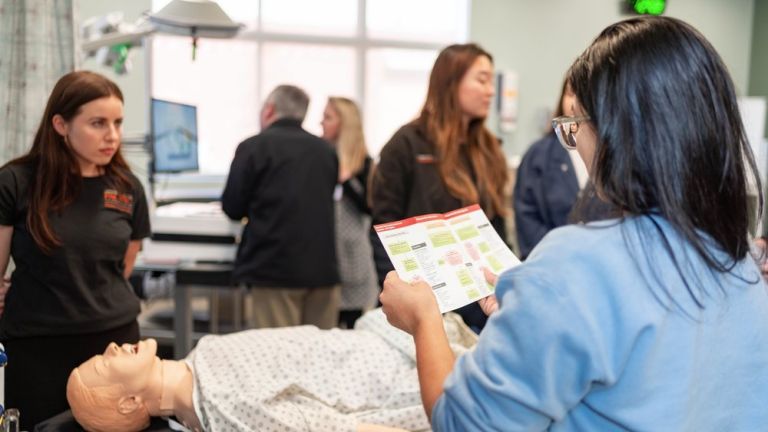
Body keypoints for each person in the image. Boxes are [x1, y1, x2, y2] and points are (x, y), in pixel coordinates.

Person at [379, 16, 768, 431]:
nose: (575, 145)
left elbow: (462, 423)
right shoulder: (741, 259)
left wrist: (424, 320)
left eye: (574, 126)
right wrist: (535, 305)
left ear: (617, 131)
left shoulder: (576, 262)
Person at [0, 70, 151, 429]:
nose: (112, 135)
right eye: (98, 123)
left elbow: (122, 267)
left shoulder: (128, 187)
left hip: (114, 346)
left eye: (117, 122)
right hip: (37, 348)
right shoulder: (16, 182)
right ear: (60, 124)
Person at [65, 309, 477, 432]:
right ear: (130, 403)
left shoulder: (196, 367)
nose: (113, 347)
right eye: (105, 363)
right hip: (403, 378)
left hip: (391, 344)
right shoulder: (223, 408)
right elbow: (333, 430)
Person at [371, 43, 508, 332]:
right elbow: (383, 228)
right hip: (423, 305)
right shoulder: (407, 144)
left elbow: (496, 228)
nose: (491, 91)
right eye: (481, 80)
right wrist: (402, 300)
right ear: (451, 82)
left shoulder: (490, 149)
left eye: (491, 81)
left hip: (482, 307)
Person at [222, 85, 340, 329]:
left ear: (269, 110)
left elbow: (232, 207)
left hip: (274, 272)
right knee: (321, 359)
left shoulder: (253, 148)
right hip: (323, 272)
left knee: (277, 358)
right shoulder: (326, 151)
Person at [513, 80, 616, 259]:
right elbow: (527, 218)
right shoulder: (539, 155)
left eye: (582, 94)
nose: (574, 103)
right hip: (548, 263)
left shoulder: (616, 155)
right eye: (570, 94)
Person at [320, 97, 378, 328]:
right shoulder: (320, 158)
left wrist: (346, 178)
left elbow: (370, 206)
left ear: (344, 124)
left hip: (354, 261)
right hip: (323, 261)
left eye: (328, 117)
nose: (321, 123)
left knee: (352, 325)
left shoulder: (364, 164)